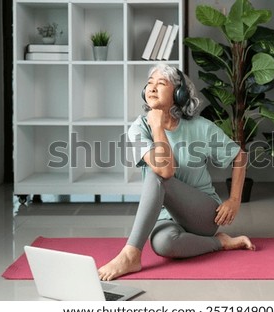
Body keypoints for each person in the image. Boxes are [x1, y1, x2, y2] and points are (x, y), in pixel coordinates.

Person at [98, 64, 255, 281]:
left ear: (179, 95)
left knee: (157, 174)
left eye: (161, 83)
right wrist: (155, 126)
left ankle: (131, 253)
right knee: (163, 244)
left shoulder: (201, 127)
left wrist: (235, 200)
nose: (152, 88)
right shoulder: (138, 128)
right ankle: (220, 242)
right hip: (164, 216)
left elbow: (239, 156)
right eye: (150, 83)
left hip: (202, 214)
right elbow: (165, 167)